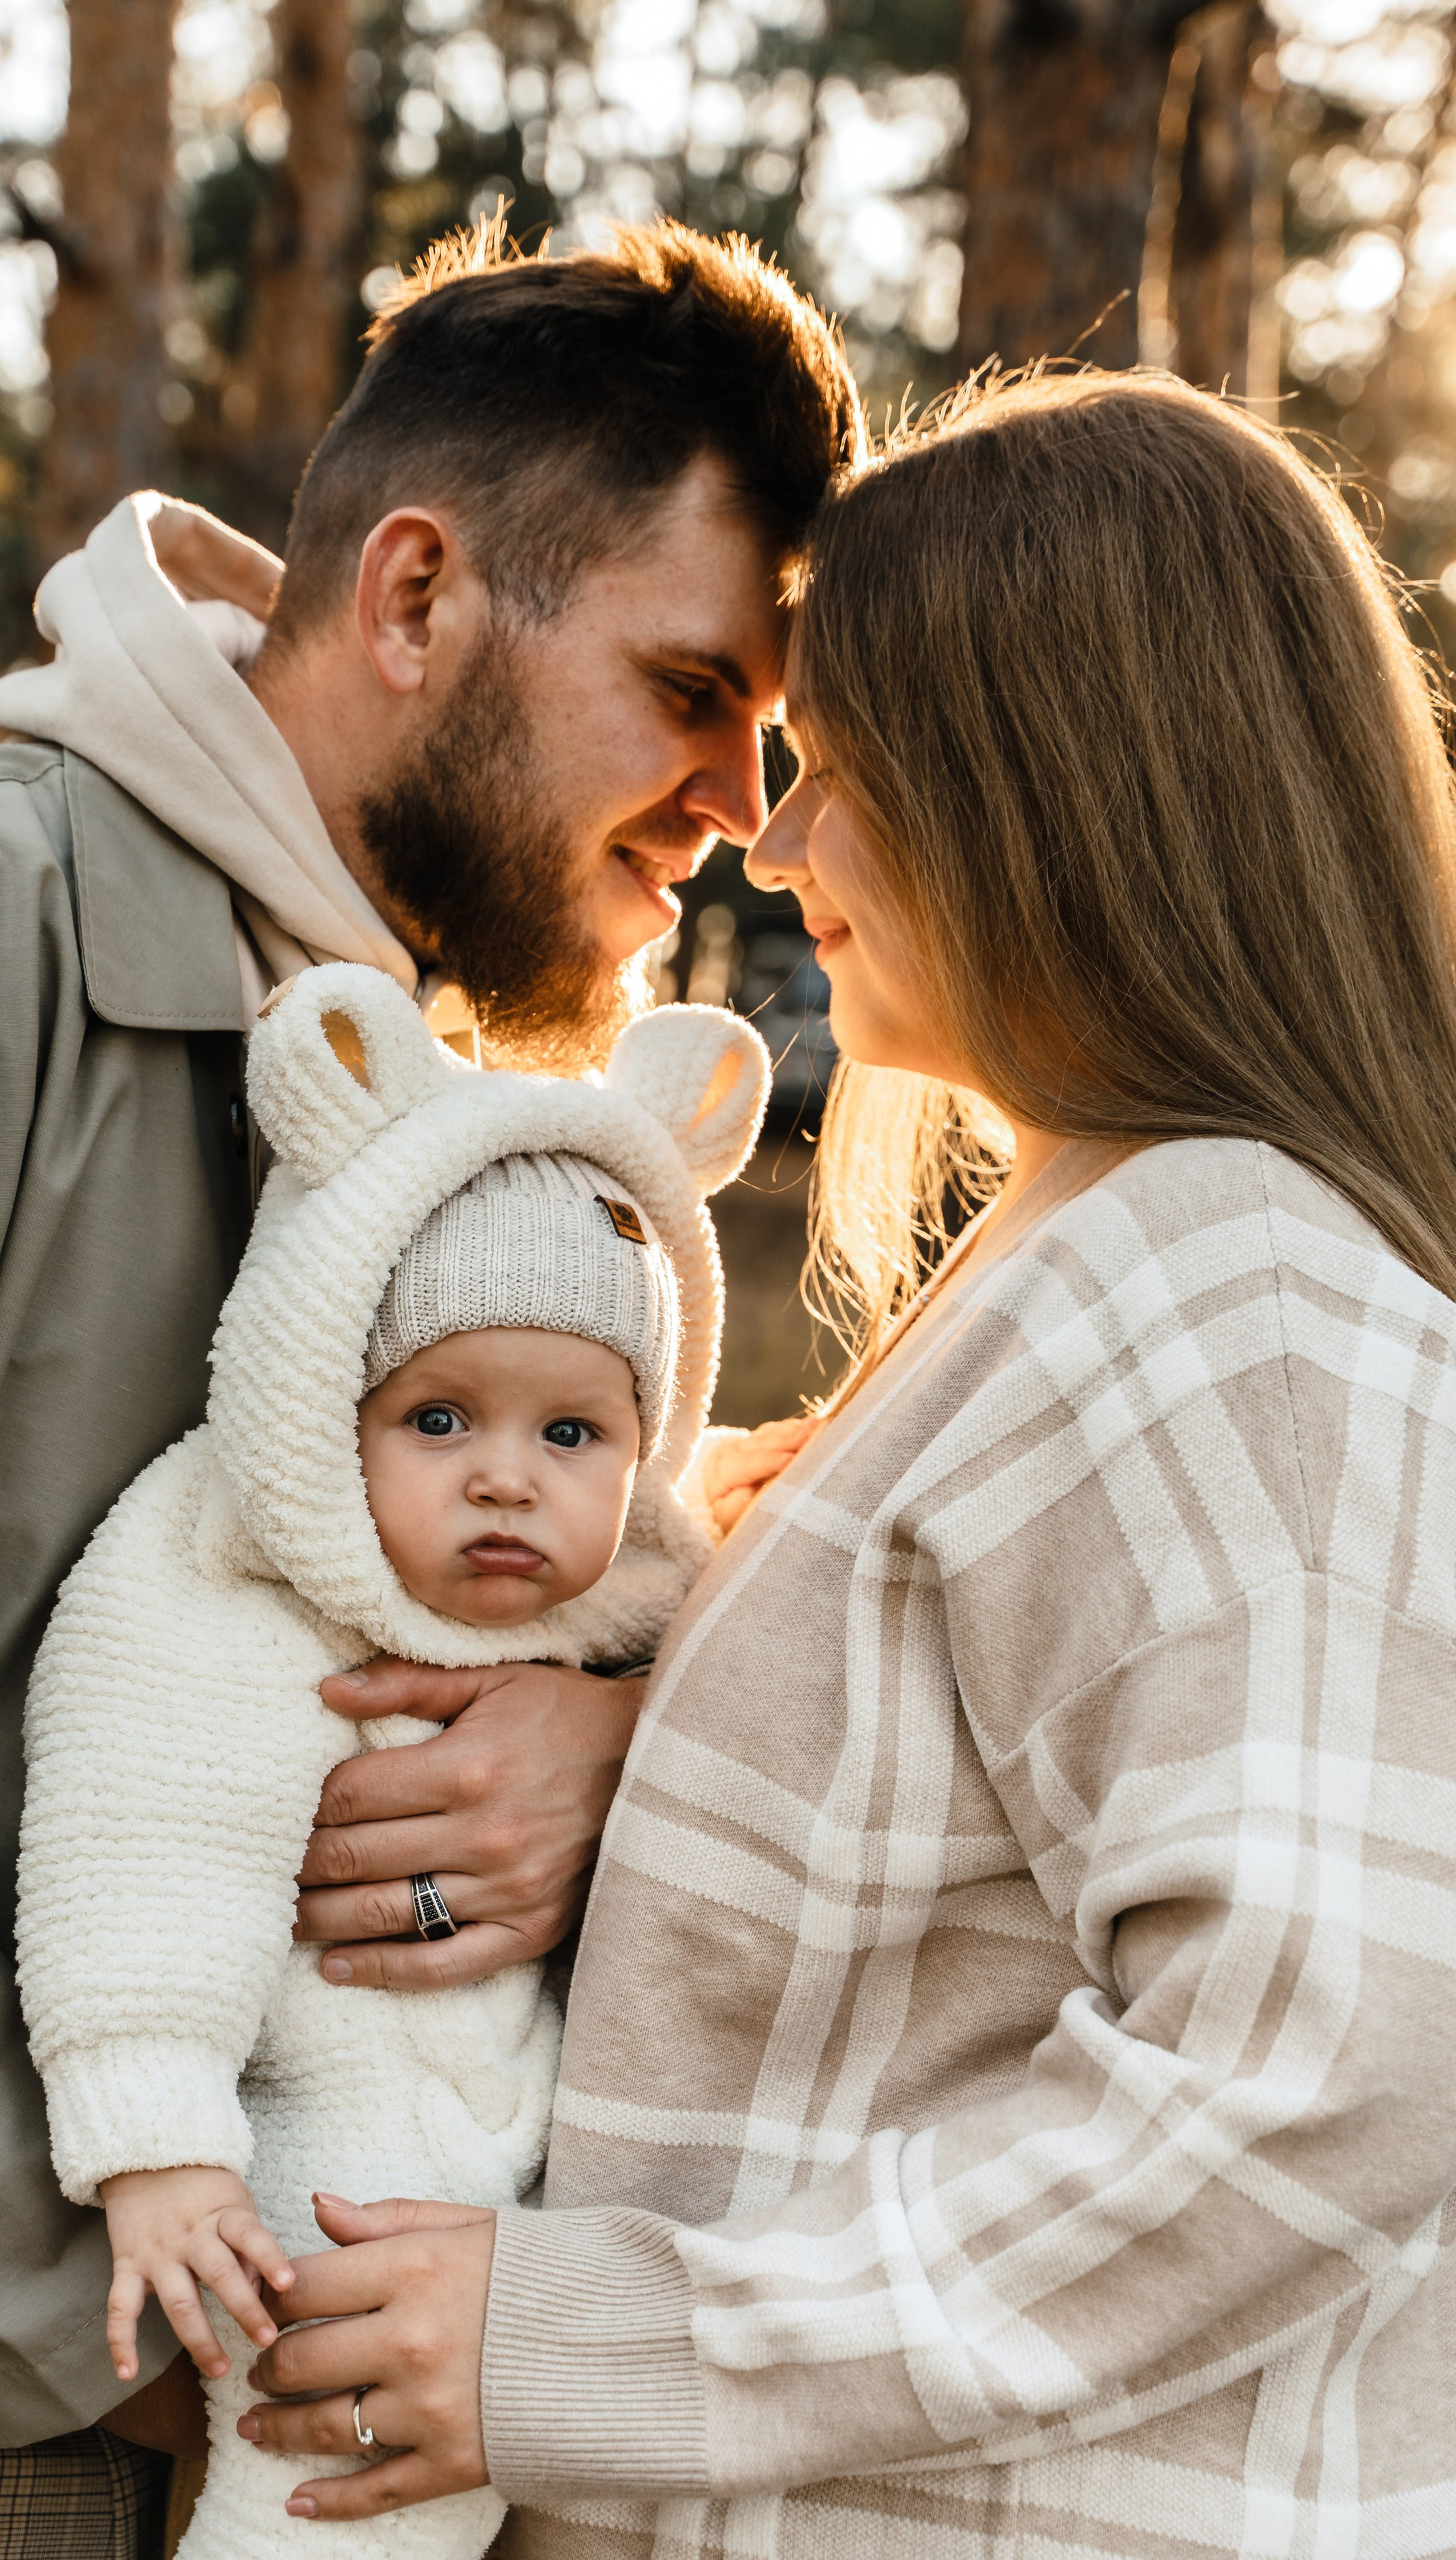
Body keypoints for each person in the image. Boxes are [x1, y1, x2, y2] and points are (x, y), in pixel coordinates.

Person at [225, 373, 1456, 2557]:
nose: (776, 849)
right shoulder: (1113, 1242)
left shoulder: (1223, 1273)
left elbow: (1330, 2058)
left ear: (1054, 801)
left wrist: (602, 2339)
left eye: (846, 777)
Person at [0, 222, 862, 2560]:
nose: (742, 806)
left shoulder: (480, 1135)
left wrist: (620, 1735)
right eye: (689, 690)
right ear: (422, 597)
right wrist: (163, 2324)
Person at [15, 965, 767, 2560]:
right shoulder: (235, 1592)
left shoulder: (650, 1620)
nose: (505, 1479)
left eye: (570, 1435)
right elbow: (142, 1835)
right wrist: (156, 2142)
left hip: (557, 2211)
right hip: (324, 2163)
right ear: (325, 1407)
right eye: (437, 1421)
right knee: (329, 2509)